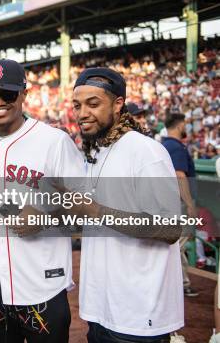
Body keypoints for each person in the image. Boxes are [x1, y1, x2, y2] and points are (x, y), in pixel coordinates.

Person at [0, 59, 85, 343]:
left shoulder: (54, 141)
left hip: (41, 288)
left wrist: (44, 219)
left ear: (24, 93)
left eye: (8, 94)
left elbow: (86, 209)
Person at [71, 67, 183, 343]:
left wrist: (96, 211)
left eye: (93, 104)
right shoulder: (97, 150)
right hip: (101, 310)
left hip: (137, 318)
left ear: (118, 104)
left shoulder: (146, 151)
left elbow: (170, 229)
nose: (82, 113)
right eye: (77, 105)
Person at [161, 113, 200, 297]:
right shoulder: (175, 147)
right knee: (177, 245)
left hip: (167, 200)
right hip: (178, 202)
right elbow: (180, 176)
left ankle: (182, 283)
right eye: (185, 124)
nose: (186, 128)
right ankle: (175, 284)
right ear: (179, 126)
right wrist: (190, 203)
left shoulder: (164, 145)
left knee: (177, 244)